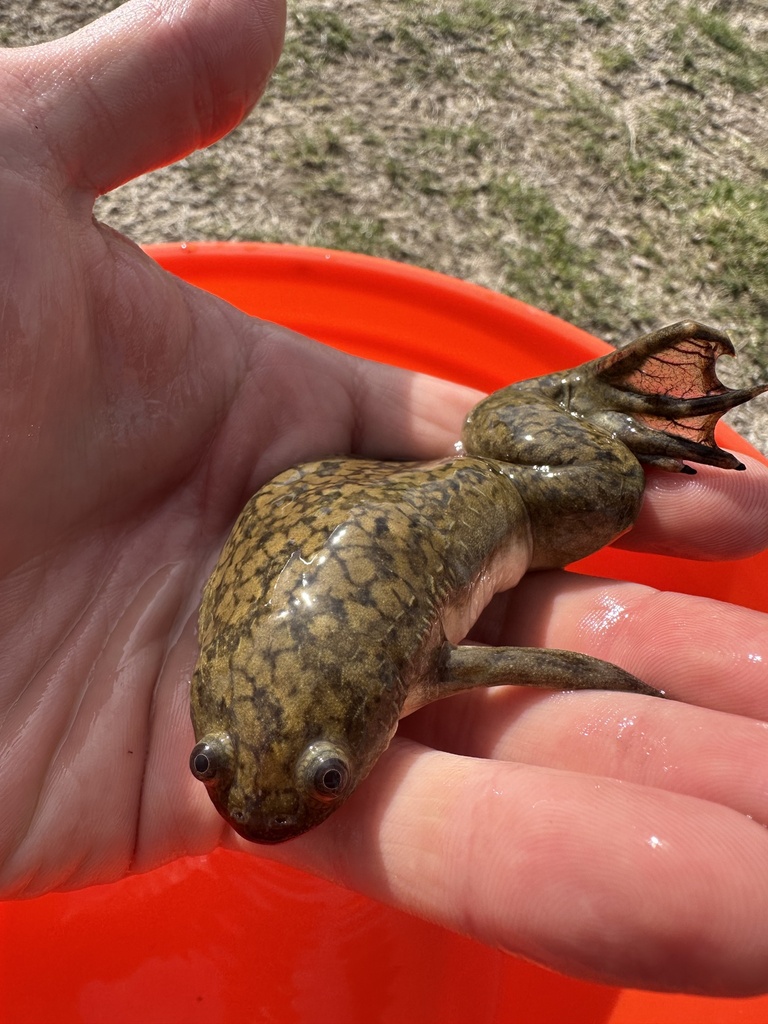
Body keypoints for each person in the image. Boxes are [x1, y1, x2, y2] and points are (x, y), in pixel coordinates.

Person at [2, 0, 768, 996]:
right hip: (333, 500)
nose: (250, 803)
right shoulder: (238, 675)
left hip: (492, 495)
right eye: (209, 762)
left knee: (609, 493)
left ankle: (595, 404)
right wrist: (610, 681)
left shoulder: (398, 665)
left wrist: (611, 679)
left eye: (327, 774)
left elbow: (543, 660)